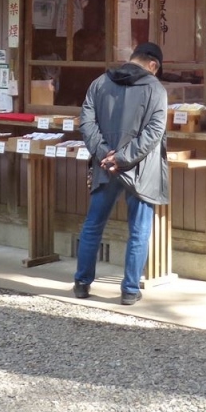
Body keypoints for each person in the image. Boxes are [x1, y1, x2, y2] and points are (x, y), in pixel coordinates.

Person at [73, 42, 169, 305]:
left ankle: (81, 283)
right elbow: (155, 131)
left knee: (93, 225)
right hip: (141, 169)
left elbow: (86, 122)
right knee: (138, 230)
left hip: (105, 167)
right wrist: (124, 158)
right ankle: (129, 290)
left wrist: (105, 154)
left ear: (132, 58)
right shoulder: (155, 89)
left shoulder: (99, 83)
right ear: (153, 65)